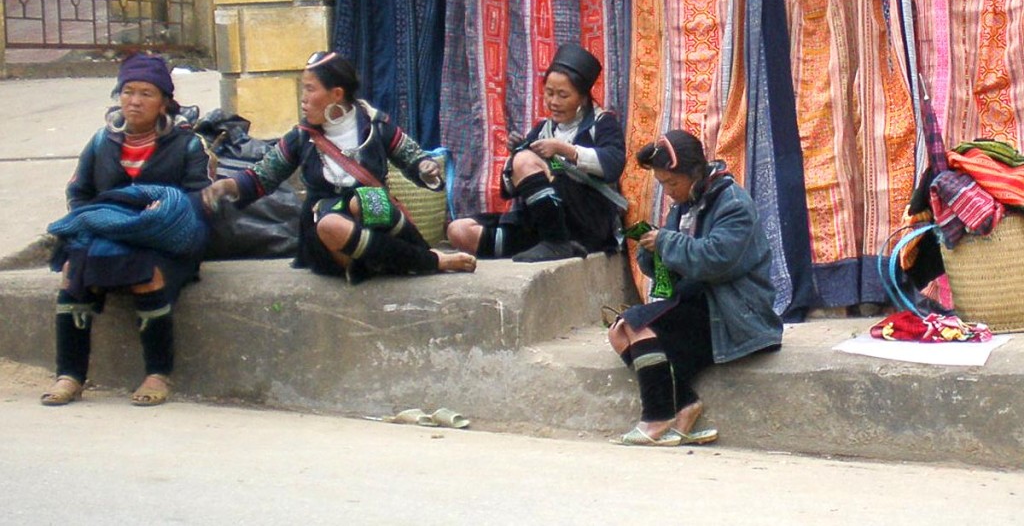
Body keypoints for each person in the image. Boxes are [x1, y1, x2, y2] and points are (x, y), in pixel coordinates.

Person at [202, 51, 476, 284]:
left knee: (365, 199)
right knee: (332, 222)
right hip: (327, 235)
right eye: (303, 90)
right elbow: (263, 176)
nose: (303, 99)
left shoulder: (375, 126)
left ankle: (407, 259)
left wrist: (426, 167)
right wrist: (227, 185)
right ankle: (429, 261)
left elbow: (412, 157)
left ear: (336, 94)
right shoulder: (300, 138)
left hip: (376, 220)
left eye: (310, 89)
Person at [41, 53, 212, 406]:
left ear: (164, 101)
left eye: (146, 93)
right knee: (74, 271)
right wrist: (106, 221)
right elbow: (80, 194)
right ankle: (70, 375)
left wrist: (160, 215)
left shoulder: (186, 145)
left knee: (146, 274)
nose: (134, 101)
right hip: (109, 235)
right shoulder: (102, 143)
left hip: (167, 242)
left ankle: (157, 373)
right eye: (128, 91)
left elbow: (200, 201)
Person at [607, 130, 782, 446]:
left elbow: (715, 260)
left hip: (734, 311)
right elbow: (677, 267)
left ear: (695, 172)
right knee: (619, 331)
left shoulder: (733, 204)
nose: (669, 192)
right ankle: (685, 406)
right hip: (699, 302)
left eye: (672, 183)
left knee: (637, 324)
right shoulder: (685, 205)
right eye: (663, 185)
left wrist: (667, 241)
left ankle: (657, 417)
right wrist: (652, 251)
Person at [447, 43, 626, 262]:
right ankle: (546, 242)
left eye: (563, 95)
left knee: (524, 161)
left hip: (585, 222)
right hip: (542, 220)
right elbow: (509, 189)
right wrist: (516, 156)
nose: (553, 102)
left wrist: (563, 150)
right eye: (549, 93)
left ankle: (556, 244)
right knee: (459, 230)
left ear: (582, 97)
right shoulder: (543, 129)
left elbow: (613, 165)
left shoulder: (603, 123)